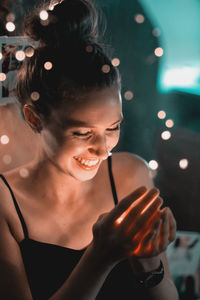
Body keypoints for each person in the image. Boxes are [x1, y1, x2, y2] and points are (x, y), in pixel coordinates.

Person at [0, 0, 179, 299]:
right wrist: (100, 256)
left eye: (112, 128)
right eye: (82, 132)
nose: (101, 149)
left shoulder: (129, 177)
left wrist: (149, 264)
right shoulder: (5, 204)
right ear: (34, 118)